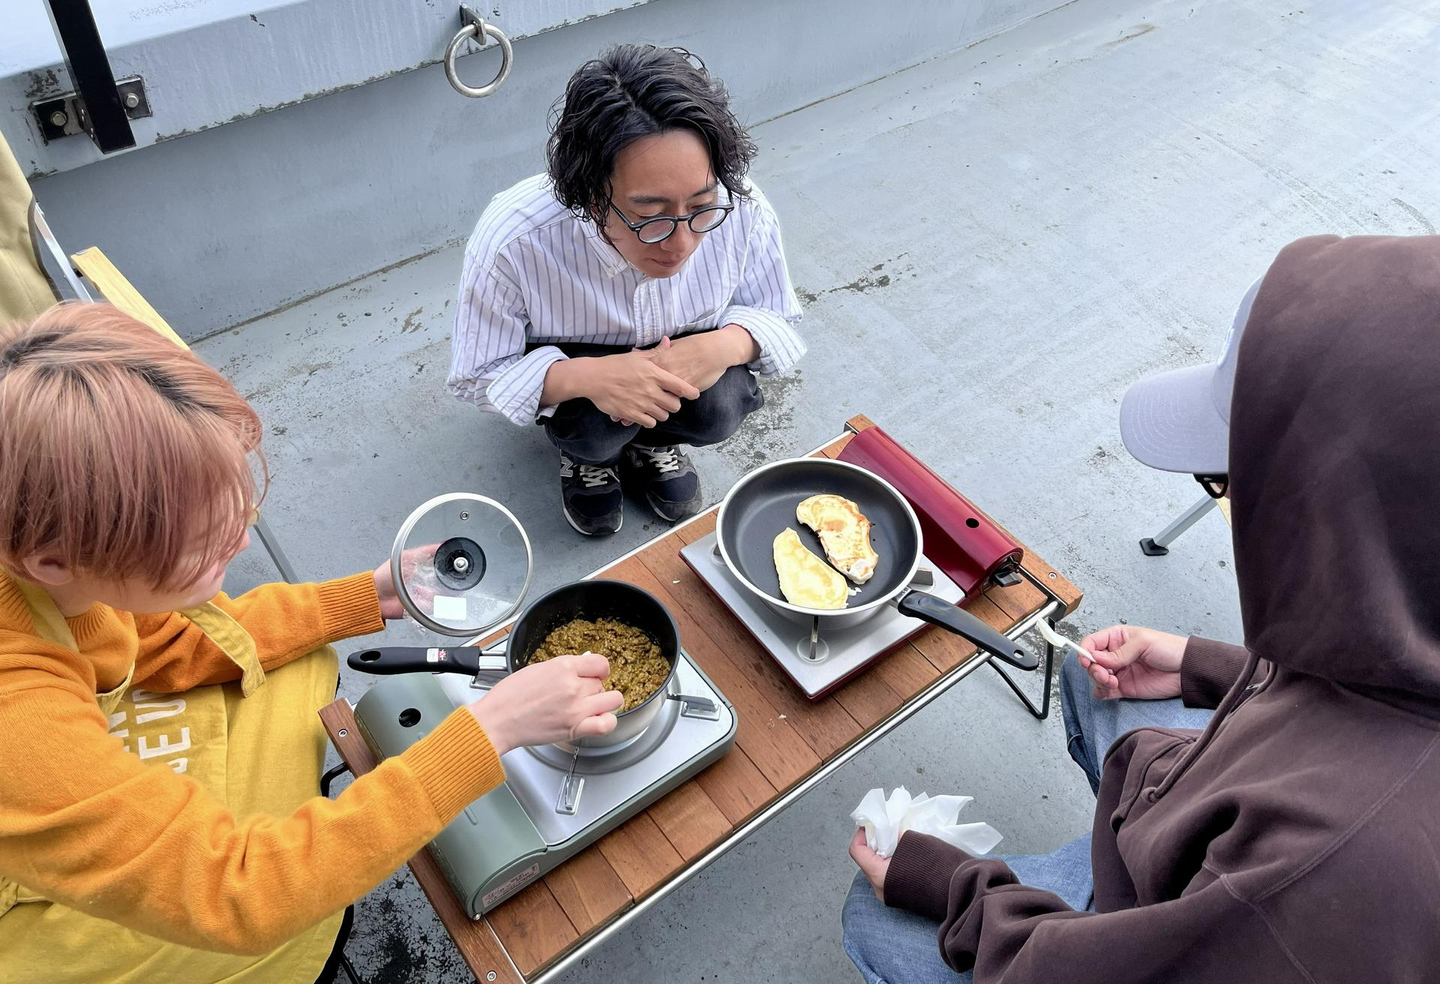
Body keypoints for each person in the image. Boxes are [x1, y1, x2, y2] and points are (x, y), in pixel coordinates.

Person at [843, 234, 1440, 982]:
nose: (1230, 501)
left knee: (874, 918)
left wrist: (960, 890)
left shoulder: (1327, 874)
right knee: (1091, 679)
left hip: (1192, 930)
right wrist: (1206, 666)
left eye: (1226, 480)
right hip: (1230, 849)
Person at [0, 303, 625, 983]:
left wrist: (369, 596)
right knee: (264, 931)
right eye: (200, 542)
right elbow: (238, 896)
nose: (241, 543)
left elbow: (165, 638)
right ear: (53, 561)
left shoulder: (48, 553)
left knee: (302, 665)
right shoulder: (16, 719)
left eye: (234, 510)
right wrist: (489, 730)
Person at [448, 44, 804, 536]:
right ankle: (587, 458)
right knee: (591, 430)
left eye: (701, 207)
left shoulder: (741, 204)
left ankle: (654, 442)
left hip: (687, 354)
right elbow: (477, 374)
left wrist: (723, 346)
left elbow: (777, 314)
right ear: (592, 197)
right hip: (578, 370)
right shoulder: (514, 239)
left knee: (720, 406)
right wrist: (589, 378)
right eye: (650, 217)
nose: (682, 244)